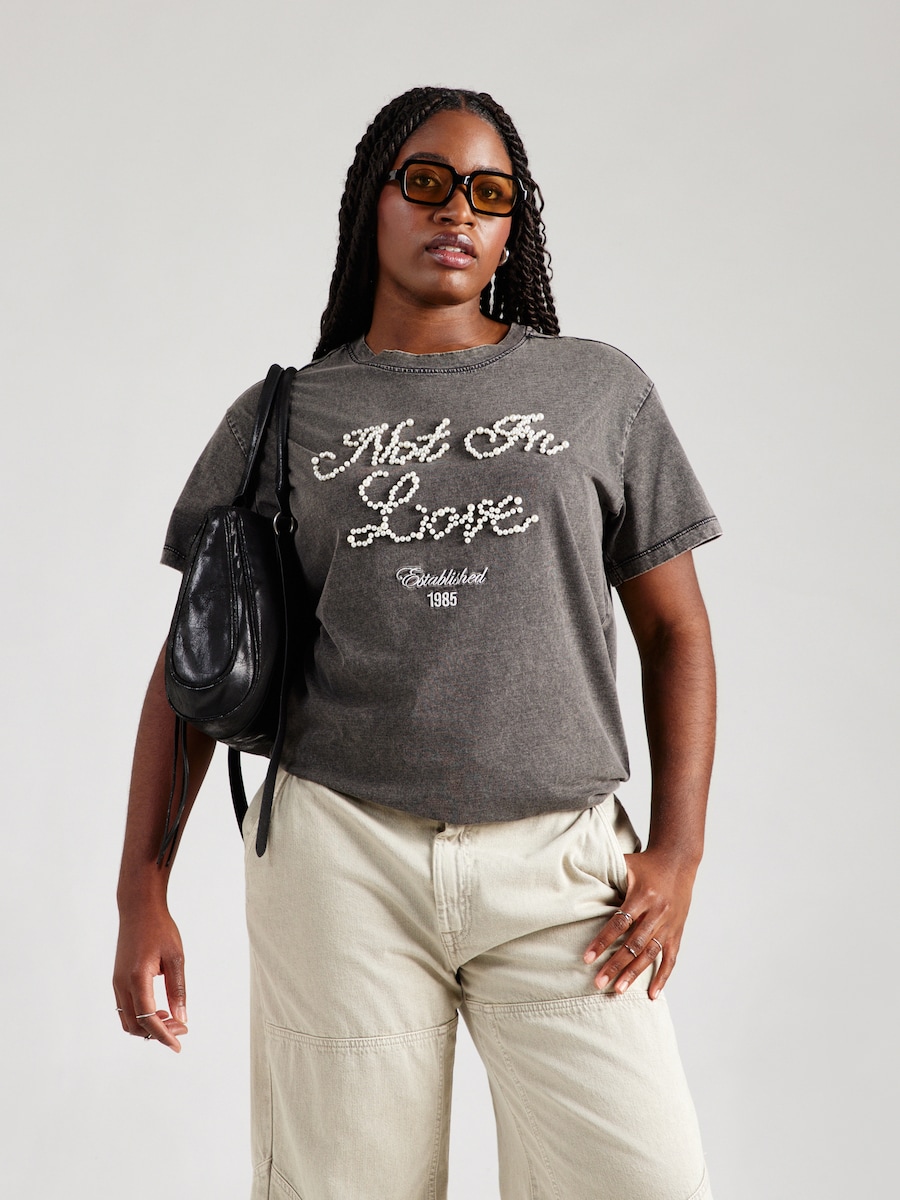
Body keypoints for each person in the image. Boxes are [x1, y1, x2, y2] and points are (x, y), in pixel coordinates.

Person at [114, 86, 720, 1200]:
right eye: (428, 182)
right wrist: (139, 891)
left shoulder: (597, 390)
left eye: (490, 194)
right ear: (373, 205)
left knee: (646, 1179)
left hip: (562, 866)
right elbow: (188, 667)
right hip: (341, 862)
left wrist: (678, 853)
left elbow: (675, 630)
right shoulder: (284, 417)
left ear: (513, 226)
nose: (458, 212)